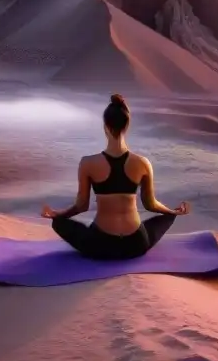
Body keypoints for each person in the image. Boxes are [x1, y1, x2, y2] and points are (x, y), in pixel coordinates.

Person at [41, 93, 190, 260]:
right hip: (136, 244)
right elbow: (150, 204)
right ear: (127, 126)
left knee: (59, 223)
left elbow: (81, 206)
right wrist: (171, 211)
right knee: (166, 217)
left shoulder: (88, 163)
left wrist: (57, 214)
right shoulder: (143, 163)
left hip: (100, 245)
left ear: (105, 126)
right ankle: (170, 215)